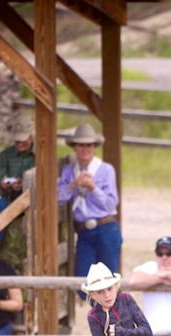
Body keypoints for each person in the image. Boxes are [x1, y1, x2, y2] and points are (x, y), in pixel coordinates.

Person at [58, 123, 121, 299]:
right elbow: (59, 198)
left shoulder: (106, 170)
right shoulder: (69, 171)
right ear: (74, 147)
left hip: (106, 228)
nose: (85, 149)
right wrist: (73, 184)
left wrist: (92, 187)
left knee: (109, 283)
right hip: (84, 232)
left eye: (89, 145)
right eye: (81, 145)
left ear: (94, 147)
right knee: (83, 285)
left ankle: (108, 314)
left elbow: (111, 204)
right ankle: (98, 312)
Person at [0, 115, 36, 243]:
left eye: (24, 140)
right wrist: (5, 185)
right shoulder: (5, 155)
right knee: (0, 205)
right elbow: (2, 188)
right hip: (11, 198)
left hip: (34, 200)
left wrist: (25, 186)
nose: (20, 144)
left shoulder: (40, 155)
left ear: (32, 136)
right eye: (17, 141)